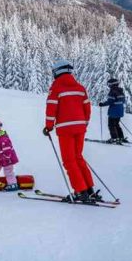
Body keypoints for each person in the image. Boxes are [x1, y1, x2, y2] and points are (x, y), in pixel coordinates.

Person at [43, 60, 102, 203]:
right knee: (78, 157)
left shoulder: (56, 87)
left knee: (69, 160)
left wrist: (49, 126)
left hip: (65, 128)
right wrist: (84, 124)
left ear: (57, 72)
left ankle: (80, 192)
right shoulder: (80, 87)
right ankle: (89, 190)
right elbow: (87, 109)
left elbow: (51, 108)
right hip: (80, 128)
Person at [98, 78, 126, 143]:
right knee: (116, 124)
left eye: (109, 84)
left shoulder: (112, 91)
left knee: (111, 125)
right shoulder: (120, 91)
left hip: (113, 111)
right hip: (120, 110)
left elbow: (110, 101)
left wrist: (102, 104)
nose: (108, 85)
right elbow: (123, 101)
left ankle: (114, 138)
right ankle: (120, 137)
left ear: (112, 84)